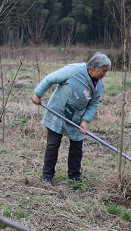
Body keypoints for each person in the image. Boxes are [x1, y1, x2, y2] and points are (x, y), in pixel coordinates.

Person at [31, 52, 111, 185]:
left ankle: (74, 177)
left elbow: (93, 104)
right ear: (93, 67)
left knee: (76, 148)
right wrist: (38, 94)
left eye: (105, 72)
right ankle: (47, 176)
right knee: (53, 145)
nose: (104, 74)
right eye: (103, 71)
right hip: (58, 111)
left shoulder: (99, 85)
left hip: (76, 118)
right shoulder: (73, 70)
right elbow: (50, 78)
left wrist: (85, 121)